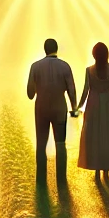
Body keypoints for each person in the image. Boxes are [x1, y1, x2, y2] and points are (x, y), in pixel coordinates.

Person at [26, 37, 78, 179]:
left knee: (41, 144)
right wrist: (74, 109)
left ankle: (41, 178)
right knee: (60, 144)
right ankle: (61, 178)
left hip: (41, 109)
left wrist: (40, 87)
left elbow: (30, 94)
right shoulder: (65, 66)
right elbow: (72, 91)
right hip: (59, 109)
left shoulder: (35, 66)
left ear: (45, 49)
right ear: (56, 49)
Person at [74, 41, 109, 183]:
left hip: (93, 104)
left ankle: (96, 168)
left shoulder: (89, 70)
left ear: (94, 55)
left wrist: (78, 108)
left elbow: (86, 91)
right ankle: (106, 171)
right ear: (107, 55)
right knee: (107, 136)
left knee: (94, 136)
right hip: (107, 105)